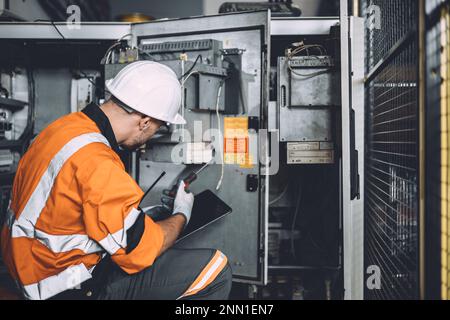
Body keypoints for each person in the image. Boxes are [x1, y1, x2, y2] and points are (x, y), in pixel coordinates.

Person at [0, 61, 232, 300]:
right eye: (158, 127)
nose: (153, 135)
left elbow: (67, 208)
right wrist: (182, 214)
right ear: (144, 121)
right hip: (60, 284)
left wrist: (146, 215)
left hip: (27, 267)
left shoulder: (62, 129)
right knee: (215, 269)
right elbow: (140, 252)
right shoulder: (99, 161)